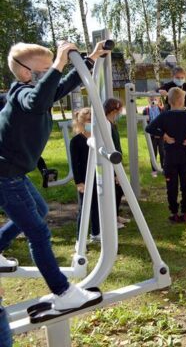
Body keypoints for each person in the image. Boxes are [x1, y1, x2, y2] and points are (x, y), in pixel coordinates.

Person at [0, 40, 108, 323]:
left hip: (13, 173)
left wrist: (89, 59)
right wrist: (59, 63)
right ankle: (62, 292)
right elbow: (38, 98)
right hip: (5, 176)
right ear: (26, 72)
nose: (51, 74)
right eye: (45, 70)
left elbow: (60, 87)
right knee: (39, 233)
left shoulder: (36, 92)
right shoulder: (23, 94)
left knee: (41, 211)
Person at [145, 87, 186, 224]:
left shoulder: (167, 116)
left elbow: (149, 128)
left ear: (169, 100)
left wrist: (164, 135)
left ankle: (175, 212)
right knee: (185, 184)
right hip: (183, 157)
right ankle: (184, 212)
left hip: (172, 157)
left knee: (172, 186)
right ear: (182, 101)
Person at [69, 108, 100, 243]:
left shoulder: (98, 138)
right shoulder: (76, 141)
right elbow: (75, 164)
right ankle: (79, 239)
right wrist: (79, 182)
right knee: (84, 208)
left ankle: (96, 233)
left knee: (97, 206)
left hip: (98, 176)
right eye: (87, 120)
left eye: (92, 120)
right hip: (84, 179)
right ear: (81, 122)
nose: (90, 122)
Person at [103, 98, 128, 228]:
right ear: (114, 110)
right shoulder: (106, 124)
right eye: (120, 110)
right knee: (115, 190)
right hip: (111, 162)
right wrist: (114, 171)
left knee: (119, 190)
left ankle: (116, 215)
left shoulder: (112, 123)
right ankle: (112, 219)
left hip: (117, 161)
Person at [143, 96, 165, 177]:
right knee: (153, 152)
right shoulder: (146, 110)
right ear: (148, 100)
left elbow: (164, 122)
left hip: (161, 134)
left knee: (162, 152)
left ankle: (163, 169)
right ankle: (154, 170)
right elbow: (146, 124)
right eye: (151, 99)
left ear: (158, 99)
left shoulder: (162, 110)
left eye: (155, 99)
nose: (153, 101)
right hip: (151, 135)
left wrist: (160, 133)